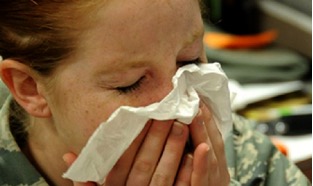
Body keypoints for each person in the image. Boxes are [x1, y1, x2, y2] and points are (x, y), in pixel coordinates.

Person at [0, 0, 310, 186]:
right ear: (31, 90)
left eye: (189, 61)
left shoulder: (245, 157)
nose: (180, 108)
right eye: (130, 83)